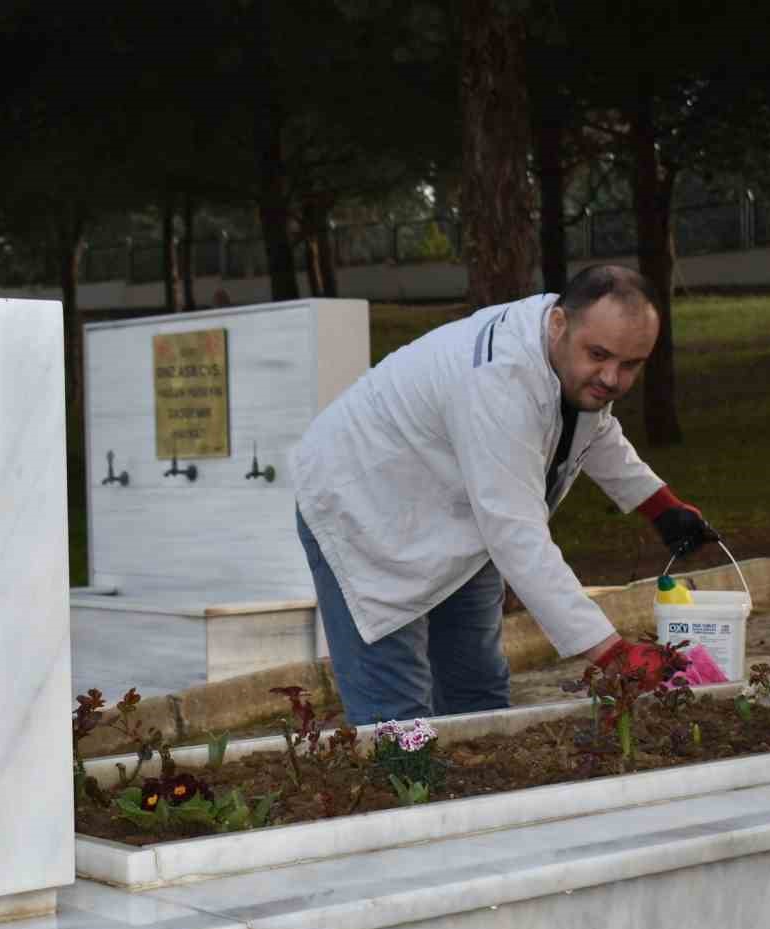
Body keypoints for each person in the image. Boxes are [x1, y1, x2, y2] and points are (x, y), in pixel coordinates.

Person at [292, 264, 720, 725]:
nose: (613, 379)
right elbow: (517, 536)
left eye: (631, 364)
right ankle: (408, 788)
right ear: (559, 324)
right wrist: (612, 654)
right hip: (363, 505)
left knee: (476, 690)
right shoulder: (498, 383)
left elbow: (592, 429)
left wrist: (660, 506)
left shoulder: (568, 353)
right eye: (600, 355)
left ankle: (475, 791)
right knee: (397, 713)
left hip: (455, 510)